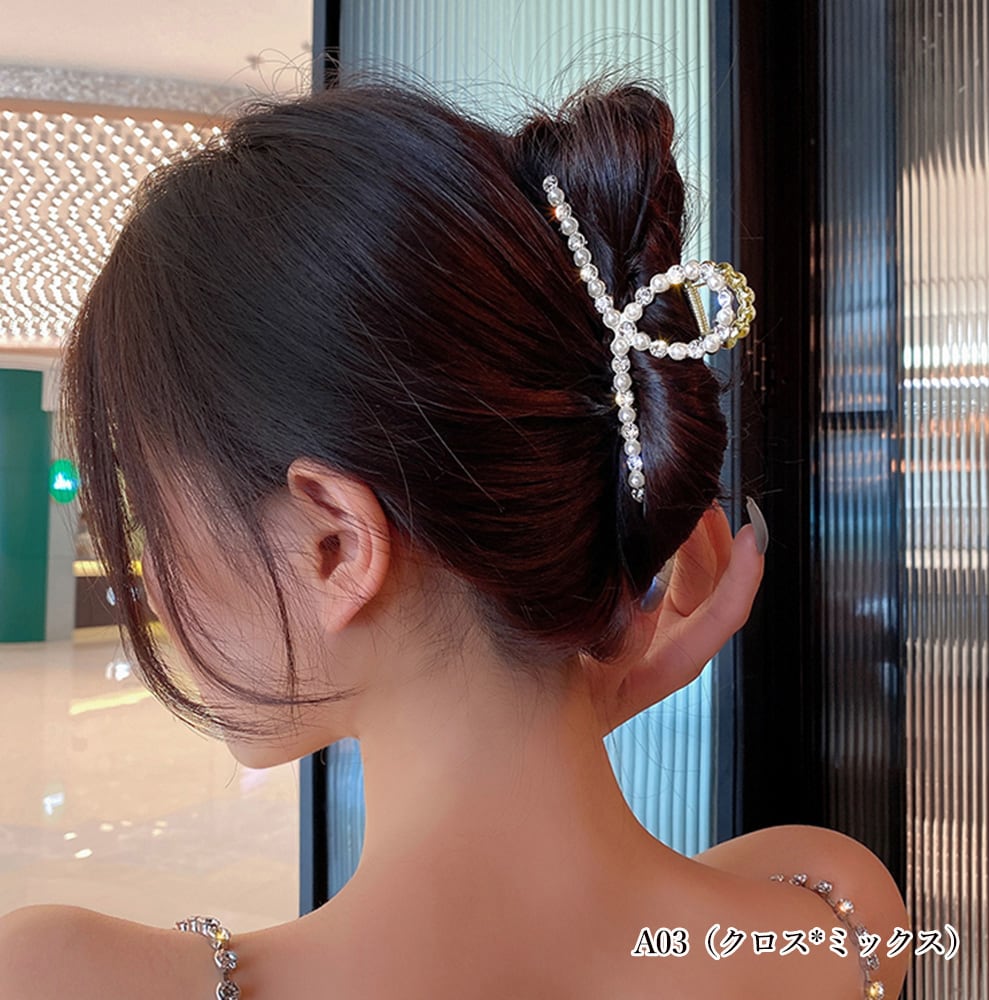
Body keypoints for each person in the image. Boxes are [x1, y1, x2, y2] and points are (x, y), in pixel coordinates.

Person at [0, 74, 910, 999]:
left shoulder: (54, 978)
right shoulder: (838, 918)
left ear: (337, 546)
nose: (151, 581)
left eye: (150, 518)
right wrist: (543, 715)